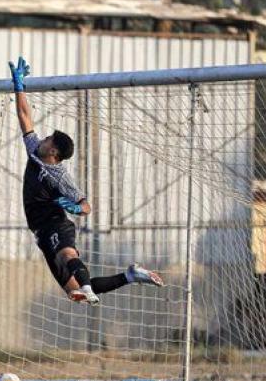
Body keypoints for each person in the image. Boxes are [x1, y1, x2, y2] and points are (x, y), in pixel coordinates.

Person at [9, 56, 164, 306]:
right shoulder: (34, 151)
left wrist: (75, 208)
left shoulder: (59, 177)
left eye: (48, 139)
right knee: (75, 293)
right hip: (41, 233)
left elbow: (86, 206)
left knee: (68, 256)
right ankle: (130, 275)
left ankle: (88, 286)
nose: (44, 138)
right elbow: (24, 115)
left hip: (56, 227)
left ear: (54, 153)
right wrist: (19, 86)